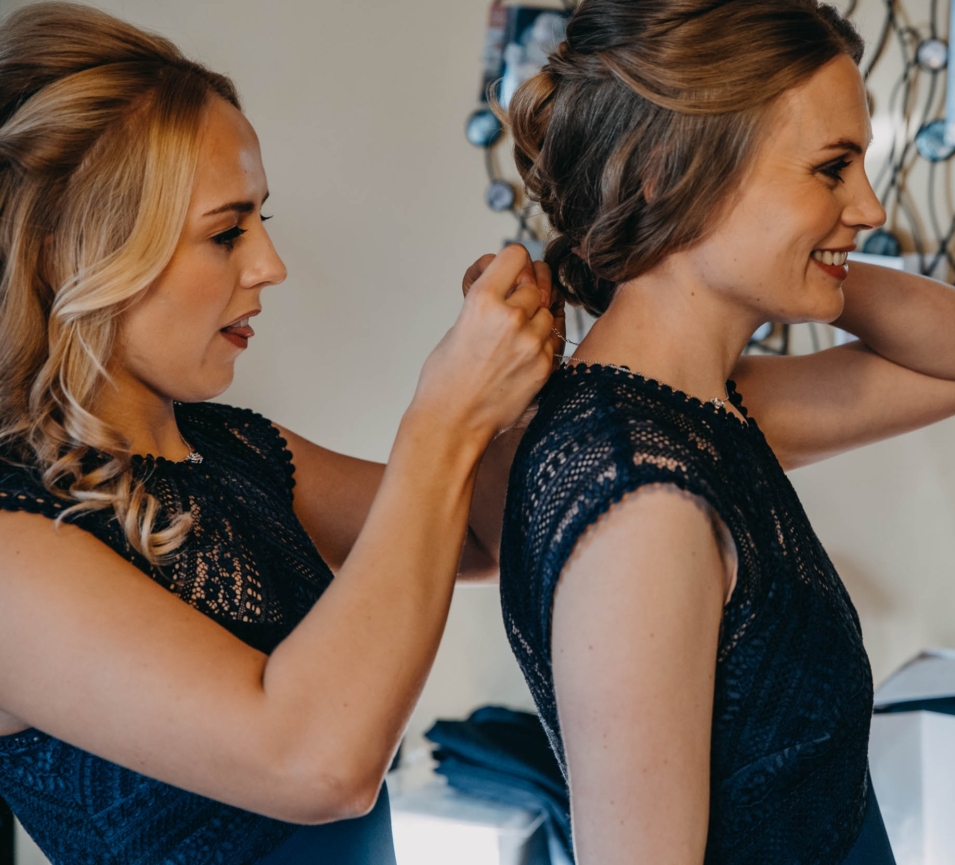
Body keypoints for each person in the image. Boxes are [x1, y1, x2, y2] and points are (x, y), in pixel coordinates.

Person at [0, 4, 557, 863]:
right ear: (66, 252)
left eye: (263, 220)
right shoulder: (12, 541)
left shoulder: (237, 452)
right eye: (227, 231)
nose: (271, 265)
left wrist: (515, 378)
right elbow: (319, 763)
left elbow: (480, 532)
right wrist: (443, 415)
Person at [495, 1, 955, 862]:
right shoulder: (644, 492)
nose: (870, 204)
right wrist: (767, 246)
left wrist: (798, 256)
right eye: (832, 169)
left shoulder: (705, 412)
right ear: (665, 170)